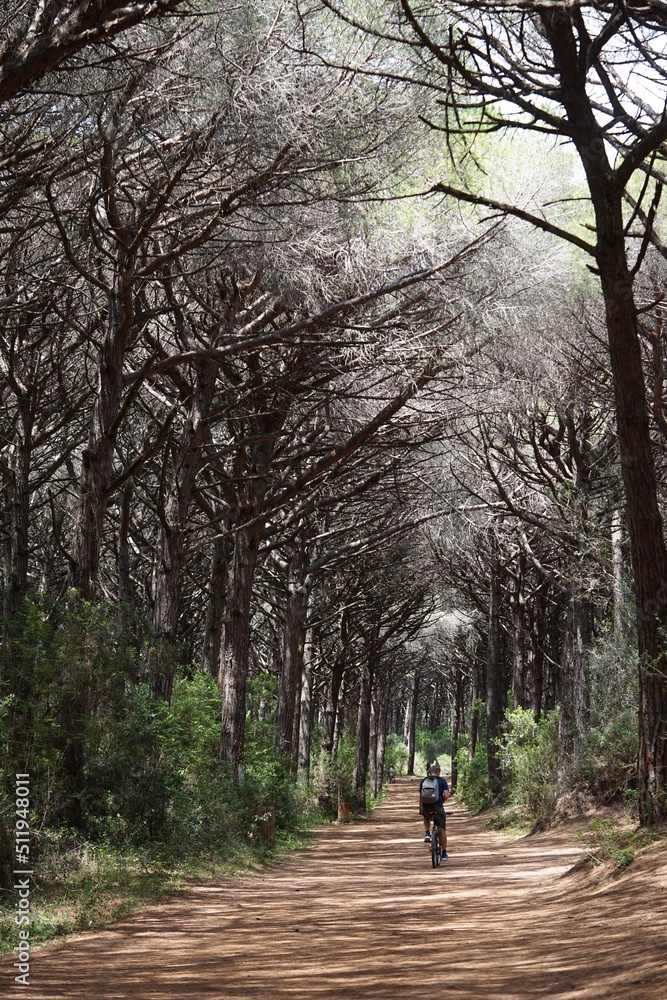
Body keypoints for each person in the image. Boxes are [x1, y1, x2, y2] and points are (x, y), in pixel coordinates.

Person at [419, 761, 450, 859]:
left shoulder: (424, 781)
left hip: (426, 806)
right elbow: (446, 795)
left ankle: (427, 833)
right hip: (438, 807)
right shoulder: (442, 781)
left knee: (426, 816)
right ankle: (444, 853)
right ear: (438, 772)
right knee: (442, 829)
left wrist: (420, 808)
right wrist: (442, 801)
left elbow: (421, 797)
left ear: (430, 772)